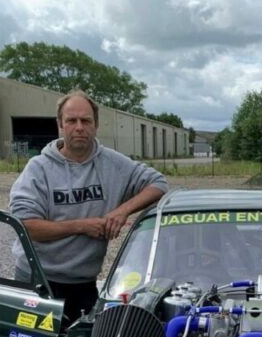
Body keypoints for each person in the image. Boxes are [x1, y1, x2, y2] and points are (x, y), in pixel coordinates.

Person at [9, 89, 167, 324]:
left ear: (96, 125)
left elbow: (158, 183)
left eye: (86, 120)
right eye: (71, 121)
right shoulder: (38, 169)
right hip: (37, 282)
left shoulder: (113, 164)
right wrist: (82, 226)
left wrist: (122, 210)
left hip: (84, 285)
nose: (79, 127)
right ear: (60, 125)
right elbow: (27, 227)